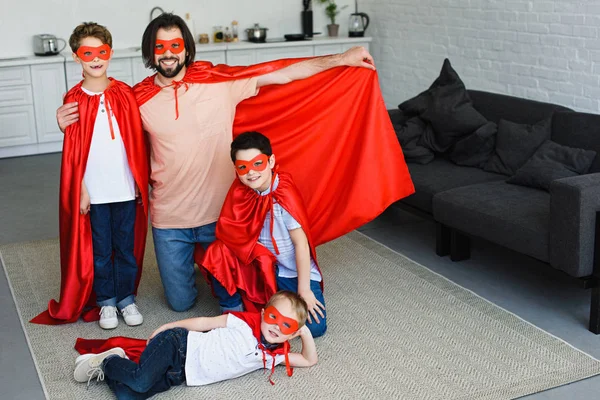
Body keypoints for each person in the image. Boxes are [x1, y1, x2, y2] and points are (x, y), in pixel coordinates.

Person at [56, 13, 414, 315]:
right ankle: (194, 264)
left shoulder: (219, 83)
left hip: (221, 217)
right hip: (171, 219)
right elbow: (97, 124)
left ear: (186, 49)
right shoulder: (136, 98)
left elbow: (282, 72)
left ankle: (210, 261)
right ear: (151, 51)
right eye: (160, 47)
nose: (168, 54)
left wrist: (341, 59)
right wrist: (65, 123)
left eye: (175, 45)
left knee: (236, 298)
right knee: (180, 304)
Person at [32, 22, 149, 328]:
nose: (96, 59)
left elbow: (136, 141)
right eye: (88, 53)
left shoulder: (124, 93)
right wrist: (81, 188)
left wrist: (138, 180)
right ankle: (106, 302)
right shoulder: (73, 98)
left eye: (102, 52)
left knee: (125, 247)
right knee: (100, 249)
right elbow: (73, 152)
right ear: (76, 57)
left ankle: (126, 298)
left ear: (110, 53)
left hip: (125, 187)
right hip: (94, 191)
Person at [72, 291, 317, 398]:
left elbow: (308, 360)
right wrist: (168, 327)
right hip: (178, 345)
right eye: (274, 317)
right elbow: (204, 321)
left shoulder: (274, 357)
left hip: (180, 375)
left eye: (287, 326)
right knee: (140, 380)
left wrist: (304, 333)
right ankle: (107, 361)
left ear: (291, 335)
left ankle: (116, 365)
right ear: (263, 313)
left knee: (128, 395)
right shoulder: (242, 322)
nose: (276, 327)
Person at [204, 131, 327, 338]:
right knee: (218, 251)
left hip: (289, 271)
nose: (251, 173)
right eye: (243, 167)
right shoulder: (240, 190)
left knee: (314, 327)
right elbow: (231, 234)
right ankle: (232, 308)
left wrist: (304, 289)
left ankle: (263, 302)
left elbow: (301, 245)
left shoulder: (284, 193)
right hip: (258, 265)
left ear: (271, 161)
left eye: (257, 164)